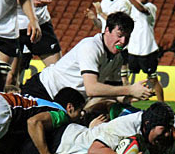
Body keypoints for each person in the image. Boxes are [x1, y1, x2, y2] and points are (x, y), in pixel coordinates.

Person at [21, 12, 154, 104]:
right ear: (107, 30)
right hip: (42, 90)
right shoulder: (91, 46)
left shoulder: (117, 58)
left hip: (66, 102)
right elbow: (92, 89)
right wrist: (130, 89)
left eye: (127, 37)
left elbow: (113, 93)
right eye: (119, 35)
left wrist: (131, 97)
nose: (123, 41)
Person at [17, 101, 175, 154]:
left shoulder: (146, 123)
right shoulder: (125, 127)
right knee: (12, 147)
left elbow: (151, 140)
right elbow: (95, 151)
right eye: (164, 129)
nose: (167, 134)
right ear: (148, 124)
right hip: (60, 143)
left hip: (73, 133)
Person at [6, 0, 62, 87]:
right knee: (10, 79)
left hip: (40, 20)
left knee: (58, 72)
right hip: (14, 23)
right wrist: (29, 0)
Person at [120, 0, 164, 102]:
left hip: (147, 51)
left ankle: (162, 106)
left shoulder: (150, 7)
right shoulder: (130, 10)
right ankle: (126, 104)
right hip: (132, 50)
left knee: (153, 80)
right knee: (124, 78)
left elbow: (141, 9)